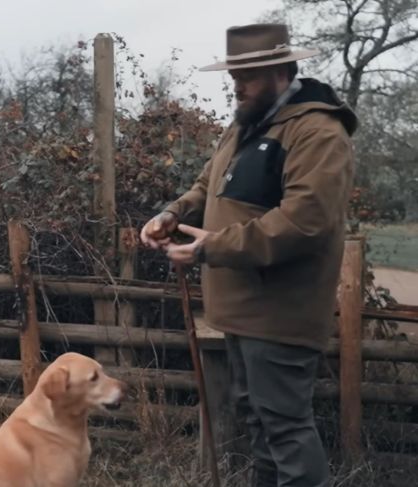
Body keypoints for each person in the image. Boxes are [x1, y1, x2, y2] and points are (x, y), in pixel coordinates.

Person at [140, 24, 357, 487]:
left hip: (282, 313)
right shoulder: (245, 123)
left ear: (281, 71)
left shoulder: (318, 132)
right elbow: (207, 186)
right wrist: (170, 213)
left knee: (286, 429)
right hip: (241, 311)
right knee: (260, 427)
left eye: (248, 74)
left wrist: (209, 247)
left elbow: (302, 223)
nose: (236, 84)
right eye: (234, 73)